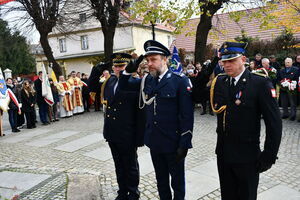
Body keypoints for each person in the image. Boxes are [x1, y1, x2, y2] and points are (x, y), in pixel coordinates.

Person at [120, 40, 194, 200]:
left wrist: (185, 143)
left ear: (165, 59)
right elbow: (123, 88)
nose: (149, 64)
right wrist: (127, 73)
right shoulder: (148, 80)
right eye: (148, 60)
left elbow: (187, 115)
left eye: (153, 60)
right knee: (161, 181)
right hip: (155, 141)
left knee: (177, 183)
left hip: (173, 142)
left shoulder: (179, 81)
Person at [210, 42, 282, 200]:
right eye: (224, 61)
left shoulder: (259, 83)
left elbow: (274, 123)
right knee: (227, 195)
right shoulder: (220, 82)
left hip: (247, 157)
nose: (226, 65)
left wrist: (269, 155)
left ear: (243, 59)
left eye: (231, 61)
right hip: (223, 153)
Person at [99, 53, 143, 200]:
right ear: (113, 67)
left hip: (127, 132)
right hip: (112, 131)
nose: (119, 69)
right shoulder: (109, 82)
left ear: (128, 67)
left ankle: (133, 192)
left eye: (122, 66)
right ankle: (122, 191)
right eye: (116, 66)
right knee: (118, 164)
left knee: (130, 165)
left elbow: (139, 111)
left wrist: (139, 135)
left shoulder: (136, 82)